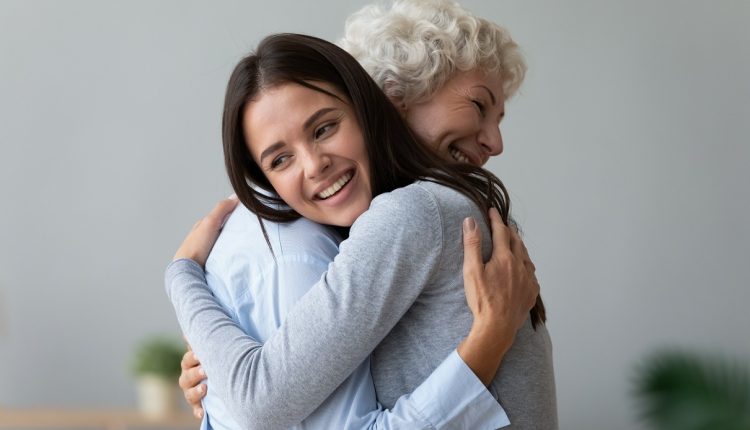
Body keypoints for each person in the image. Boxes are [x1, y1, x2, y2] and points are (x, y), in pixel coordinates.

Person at [166, 29, 556, 430]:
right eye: (280, 159)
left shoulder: (412, 213)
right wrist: (211, 369)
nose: (314, 165)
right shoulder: (430, 209)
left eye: (324, 128)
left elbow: (258, 401)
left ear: (366, 107)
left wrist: (181, 274)